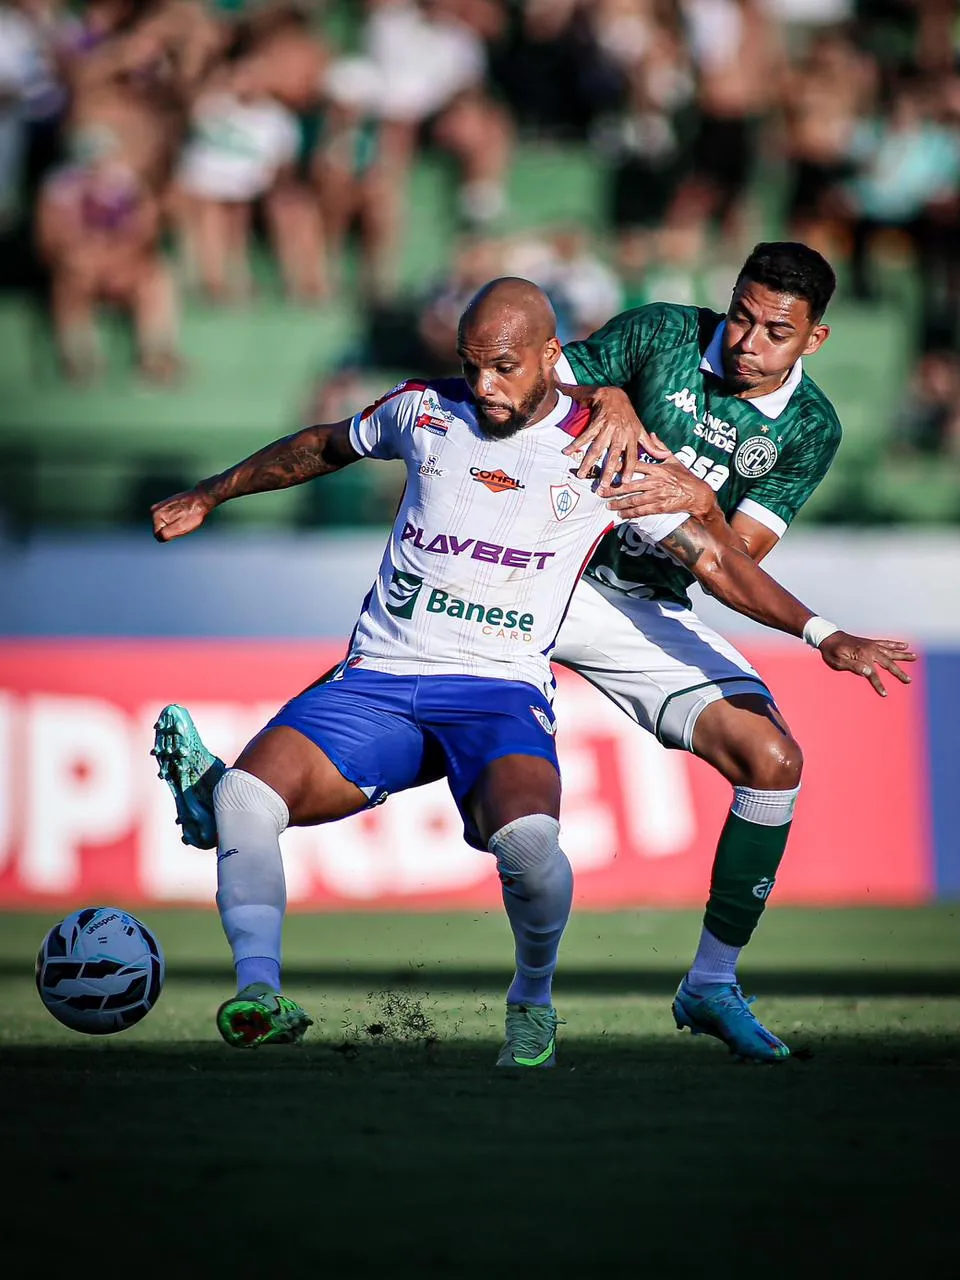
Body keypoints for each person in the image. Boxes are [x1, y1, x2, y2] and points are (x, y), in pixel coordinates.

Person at [150, 276, 913, 1065]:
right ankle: (248, 899)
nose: (484, 386)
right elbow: (341, 437)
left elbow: (724, 558)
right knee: (283, 766)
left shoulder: (727, 439)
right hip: (430, 644)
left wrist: (822, 632)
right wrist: (212, 492)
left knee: (764, 763)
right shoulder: (572, 364)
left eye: (775, 330)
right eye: (741, 318)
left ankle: (697, 984)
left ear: (812, 338)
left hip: (607, 608)